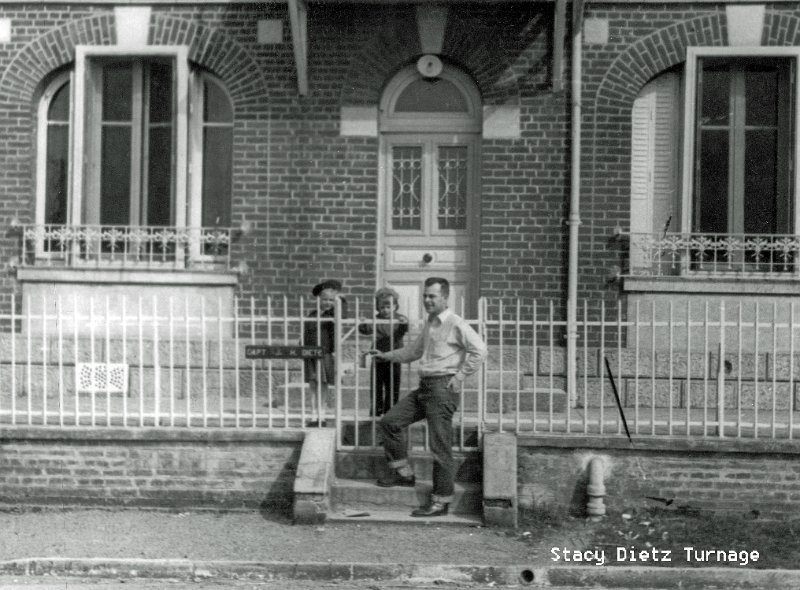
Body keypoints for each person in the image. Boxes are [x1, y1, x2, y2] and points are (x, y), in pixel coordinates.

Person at [370, 277, 487, 517]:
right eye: (425, 296)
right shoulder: (430, 323)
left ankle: (441, 501)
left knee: (439, 447)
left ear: (445, 297)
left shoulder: (456, 323)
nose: (427, 300)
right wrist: (385, 356)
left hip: (442, 388)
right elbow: (413, 352)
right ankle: (403, 474)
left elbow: (480, 350)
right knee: (390, 422)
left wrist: (460, 377)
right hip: (424, 388)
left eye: (432, 296)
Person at [302, 279, 347, 427]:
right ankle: (314, 415)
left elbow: (344, 313)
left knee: (323, 385)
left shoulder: (333, 315)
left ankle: (322, 414)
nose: (327, 303)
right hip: (310, 353)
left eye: (331, 300)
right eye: (325, 299)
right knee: (313, 385)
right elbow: (306, 333)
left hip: (325, 354)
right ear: (318, 300)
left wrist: (340, 301)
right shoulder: (312, 314)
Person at [358, 287, 409, 416]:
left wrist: (404, 323)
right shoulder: (376, 319)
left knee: (393, 385)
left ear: (395, 306)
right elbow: (366, 330)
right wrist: (363, 323)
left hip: (394, 356)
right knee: (376, 385)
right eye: (382, 307)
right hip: (378, 356)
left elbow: (403, 331)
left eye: (389, 306)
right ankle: (376, 409)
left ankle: (391, 410)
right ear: (378, 308)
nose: (385, 310)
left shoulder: (399, 318)